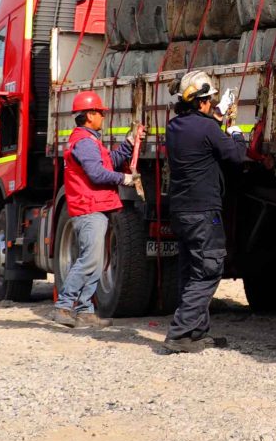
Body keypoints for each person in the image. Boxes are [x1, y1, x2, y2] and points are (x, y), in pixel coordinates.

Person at [161, 70, 248, 353]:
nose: (212, 103)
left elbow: (202, 132)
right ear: (200, 102)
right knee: (209, 270)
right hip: (203, 212)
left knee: (190, 271)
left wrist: (219, 116)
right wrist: (235, 130)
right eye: (210, 99)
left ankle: (197, 333)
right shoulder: (208, 128)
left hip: (181, 211)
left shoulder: (174, 127)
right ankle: (180, 333)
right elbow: (235, 156)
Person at [53, 90, 145, 328]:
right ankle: (64, 306)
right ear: (89, 115)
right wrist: (124, 179)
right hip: (89, 207)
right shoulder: (84, 142)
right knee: (89, 260)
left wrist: (128, 145)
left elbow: (108, 162)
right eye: (100, 113)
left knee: (94, 261)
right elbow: (97, 173)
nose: (103, 117)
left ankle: (85, 310)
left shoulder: (89, 140)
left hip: (93, 206)